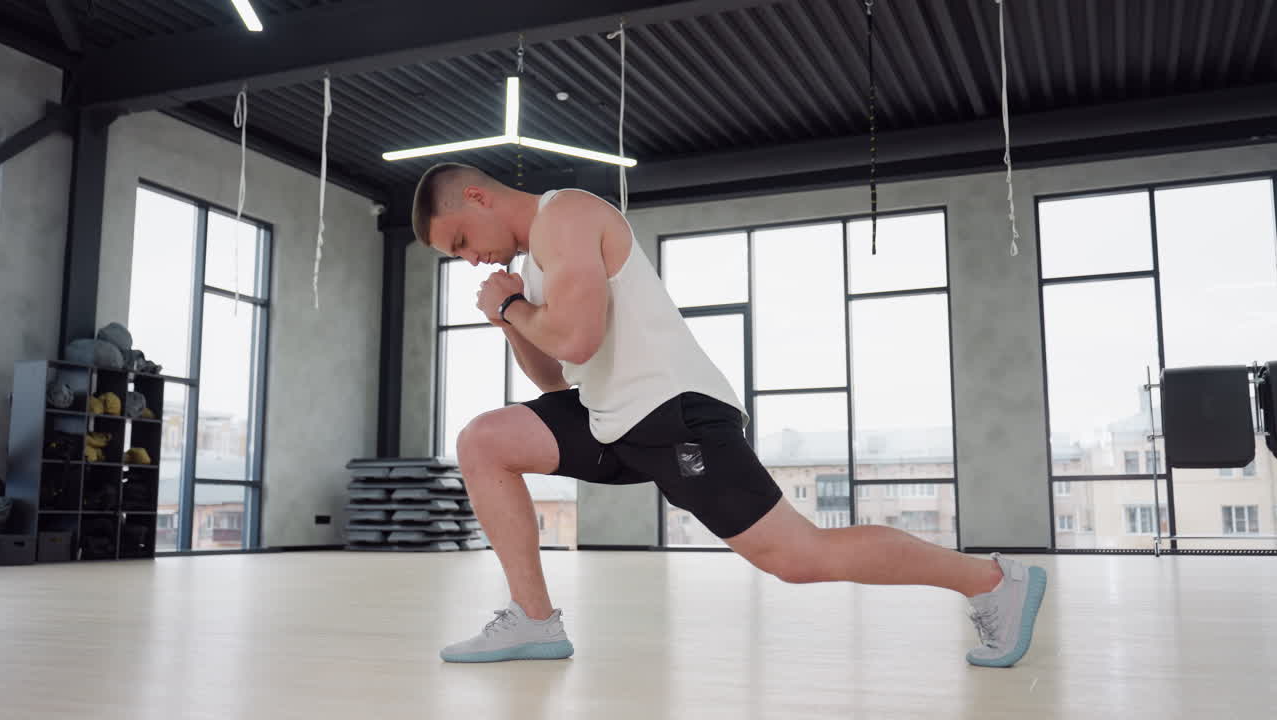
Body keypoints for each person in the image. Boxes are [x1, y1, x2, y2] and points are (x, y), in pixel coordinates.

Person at [412, 162, 1048, 667]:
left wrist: (512, 310)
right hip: (612, 418)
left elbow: (575, 340)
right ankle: (533, 619)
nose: (470, 259)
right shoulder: (530, 267)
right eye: (458, 256)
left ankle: (991, 580)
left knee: (799, 557)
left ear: (477, 196)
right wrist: (512, 316)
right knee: (485, 441)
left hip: (672, 413)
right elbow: (555, 374)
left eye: (462, 241)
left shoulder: (568, 215)